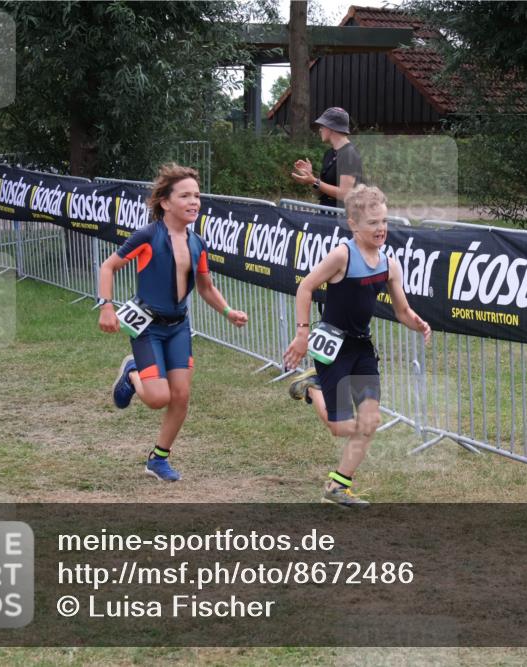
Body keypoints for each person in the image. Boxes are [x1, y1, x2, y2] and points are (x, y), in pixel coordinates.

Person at [98, 163, 248, 482]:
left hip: (179, 327)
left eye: (197, 195)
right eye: (185, 196)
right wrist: (106, 307)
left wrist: (228, 311)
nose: (194, 202)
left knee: (180, 396)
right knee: (157, 398)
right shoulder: (147, 236)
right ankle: (132, 373)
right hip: (147, 326)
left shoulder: (198, 243)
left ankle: (158, 458)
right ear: (166, 202)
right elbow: (108, 267)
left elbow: (206, 287)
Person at [283, 185, 430, 507]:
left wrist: (417, 322)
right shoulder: (342, 255)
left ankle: (338, 486)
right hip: (332, 348)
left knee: (369, 421)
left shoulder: (390, 264)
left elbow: (401, 310)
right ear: (353, 224)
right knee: (340, 427)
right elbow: (306, 287)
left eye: (384, 221)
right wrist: (302, 334)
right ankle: (312, 388)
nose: (381, 229)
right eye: (373, 223)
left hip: (362, 348)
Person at [290, 107, 363, 208]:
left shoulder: (349, 154)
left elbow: (345, 194)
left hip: (342, 219)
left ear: (331, 127)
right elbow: (319, 193)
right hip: (326, 215)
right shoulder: (329, 154)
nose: (320, 130)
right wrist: (310, 176)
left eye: (322, 126)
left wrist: (314, 181)